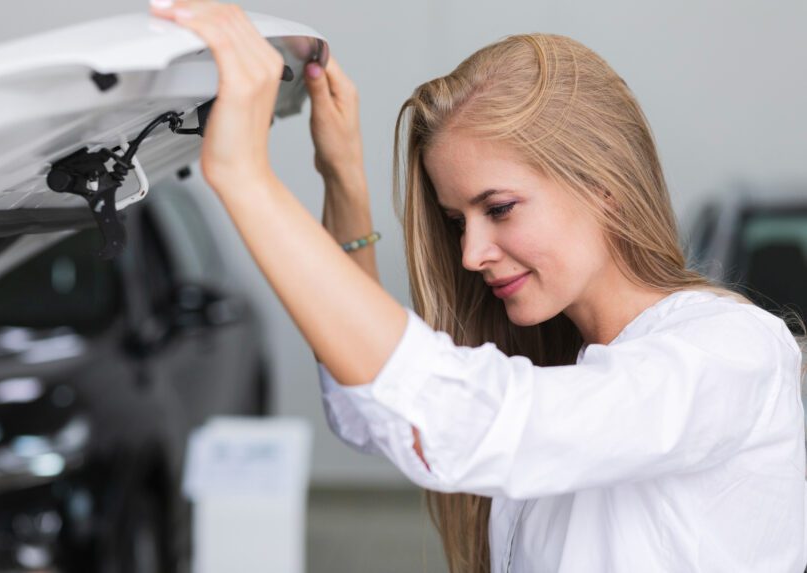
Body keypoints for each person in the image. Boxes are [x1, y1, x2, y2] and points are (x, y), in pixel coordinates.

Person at [149, 1, 807, 571]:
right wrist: (343, 180)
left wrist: (245, 177)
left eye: (499, 208)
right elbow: (371, 414)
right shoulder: (563, 368)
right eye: (455, 219)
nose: (470, 253)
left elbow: (451, 419)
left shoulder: (731, 354)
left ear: (602, 185)